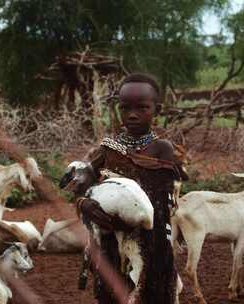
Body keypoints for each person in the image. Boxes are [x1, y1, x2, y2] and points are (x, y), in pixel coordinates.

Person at [75, 73, 187, 304]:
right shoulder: (108, 149)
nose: (132, 114)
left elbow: (162, 201)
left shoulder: (162, 149)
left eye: (142, 107)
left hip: (151, 240)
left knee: (150, 294)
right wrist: (84, 204)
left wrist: (127, 215)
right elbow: (81, 186)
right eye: (125, 108)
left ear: (158, 109)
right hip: (110, 241)